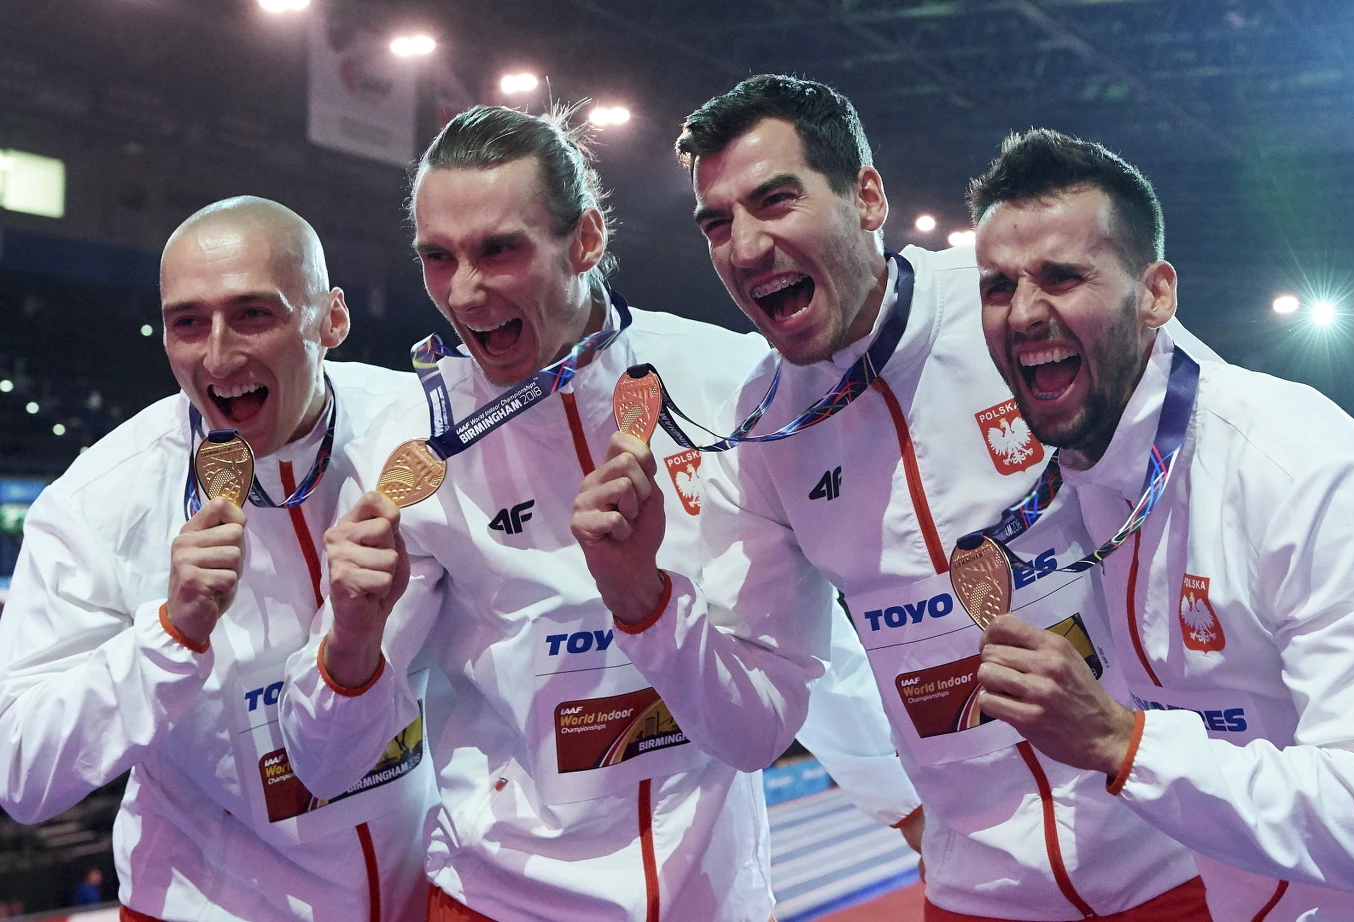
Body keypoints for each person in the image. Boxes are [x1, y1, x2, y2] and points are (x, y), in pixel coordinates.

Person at [571, 75, 1216, 921]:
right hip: (979, 895)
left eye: (776, 201)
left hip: (1184, 859)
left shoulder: (1017, 303)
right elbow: (755, 728)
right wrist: (640, 598)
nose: (746, 245)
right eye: (718, 223)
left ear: (866, 195)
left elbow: (1221, 487)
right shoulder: (761, 432)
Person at [278, 104, 922, 922]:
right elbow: (325, 767)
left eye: (499, 250)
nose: (465, 292)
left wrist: (906, 804)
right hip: (497, 904)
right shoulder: (409, 447)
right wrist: (349, 645)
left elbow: (799, 649)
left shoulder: (732, 385)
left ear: (584, 240)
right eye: (438, 258)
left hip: (709, 901)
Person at [967, 128, 1354, 921]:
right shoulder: (1081, 475)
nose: (1023, 312)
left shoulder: (1301, 469)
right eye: (997, 286)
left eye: (1061, 276)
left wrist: (1120, 742)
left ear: (1155, 293)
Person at [0, 196, 435, 922]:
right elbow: (21, 770)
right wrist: (169, 637)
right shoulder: (99, 502)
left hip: (422, 895)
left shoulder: (416, 431)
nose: (218, 355)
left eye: (253, 314)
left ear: (332, 318)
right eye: (187, 323)